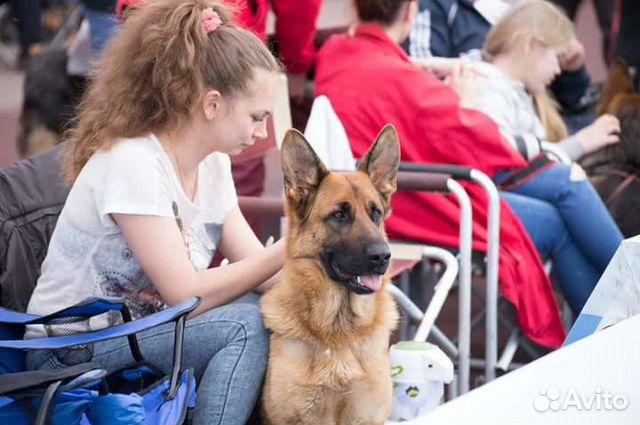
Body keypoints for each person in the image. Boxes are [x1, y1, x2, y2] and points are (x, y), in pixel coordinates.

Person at [24, 1, 284, 425]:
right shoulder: (134, 162)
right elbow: (184, 294)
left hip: (127, 334)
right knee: (245, 326)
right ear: (213, 104)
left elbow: (260, 268)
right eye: (257, 117)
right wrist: (290, 250)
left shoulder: (212, 164)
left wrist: (336, 267)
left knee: (268, 309)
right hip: (66, 351)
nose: (262, 132)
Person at [315, 0, 623, 348]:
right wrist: (462, 101)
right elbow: (480, 141)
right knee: (562, 198)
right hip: (420, 203)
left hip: (396, 196)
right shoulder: (404, 79)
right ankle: (609, 329)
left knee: (565, 189)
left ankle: (608, 327)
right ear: (409, 12)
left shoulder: (338, 54)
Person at [406, 0, 594, 133]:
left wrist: (573, 71)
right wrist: (463, 95)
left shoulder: (527, 8)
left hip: (537, 113)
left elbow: (570, 100)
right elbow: (419, 82)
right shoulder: (438, 7)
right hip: (475, 118)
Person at [473, 0, 621, 161]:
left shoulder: (515, 91)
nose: (558, 70)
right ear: (532, 45)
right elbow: (505, 161)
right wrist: (580, 143)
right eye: (558, 58)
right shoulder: (491, 92)